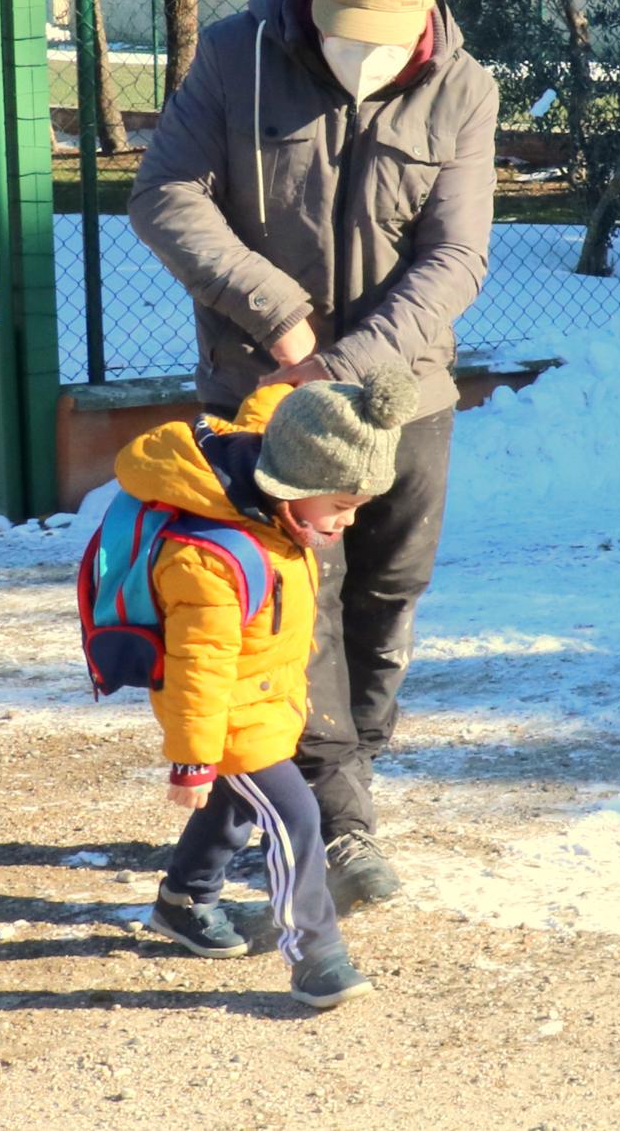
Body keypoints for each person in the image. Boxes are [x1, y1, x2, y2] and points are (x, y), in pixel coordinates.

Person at [129, 0, 497, 910]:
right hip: (262, 392)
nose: (363, 58)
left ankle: (329, 782)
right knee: (294, 610)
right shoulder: (235, 57)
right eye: (346, 33)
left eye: (384, 37)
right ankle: (338, 823)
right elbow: (164, 195)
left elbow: (455, 257)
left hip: (400, 393)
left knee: (386, 594)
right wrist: (285, 324)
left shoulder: (464, 86)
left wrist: (341, 362)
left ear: (423, 19)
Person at [128, 366, 423, 1011]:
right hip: (229, 714)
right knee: (295, 817)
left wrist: (293, 380)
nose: (347, 522)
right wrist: (192, 758)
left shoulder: (275, 477)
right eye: (341, 506)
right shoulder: (208, 559)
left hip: (266, 695)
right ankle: (315, 956)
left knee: (234, 805)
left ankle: (183, 900)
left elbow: (266, 415)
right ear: (295, 487)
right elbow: (198, 668)